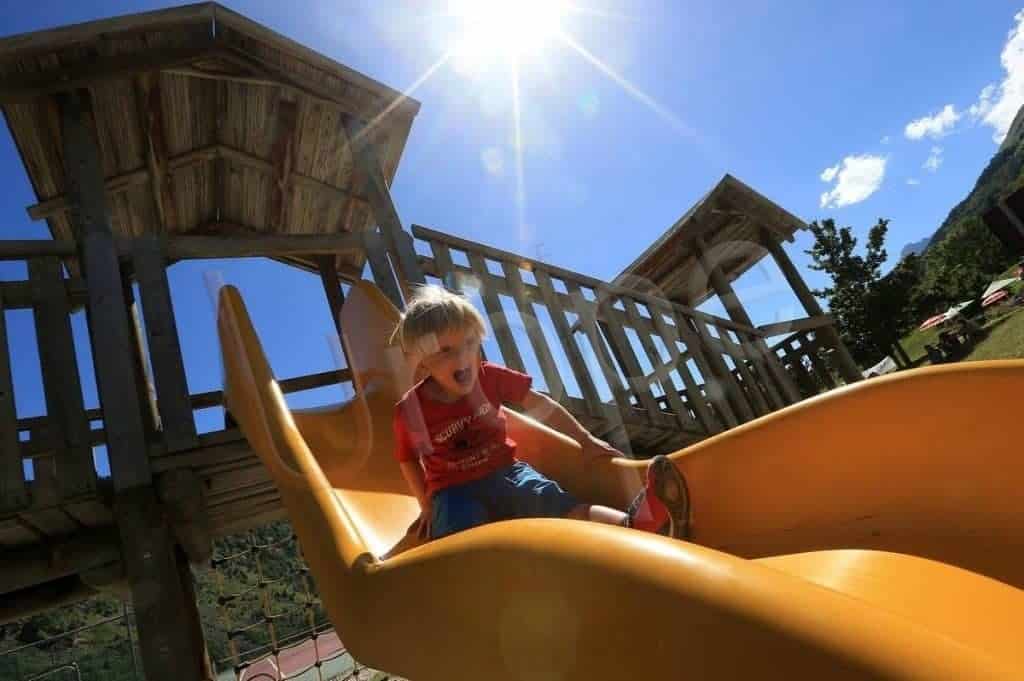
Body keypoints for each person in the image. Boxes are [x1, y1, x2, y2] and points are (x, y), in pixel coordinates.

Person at [390, 284, 690, 542]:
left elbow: (540, 404)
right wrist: (426, 504)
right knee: (460, 533)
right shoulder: (411, 411)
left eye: (470, 342)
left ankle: (636, 527)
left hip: (507, 472)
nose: (463, 357)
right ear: (422, 362)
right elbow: (407, 459)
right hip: (452, 490)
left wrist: (584, 439)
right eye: (446, 350)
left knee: (559, 504)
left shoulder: (490, 377)